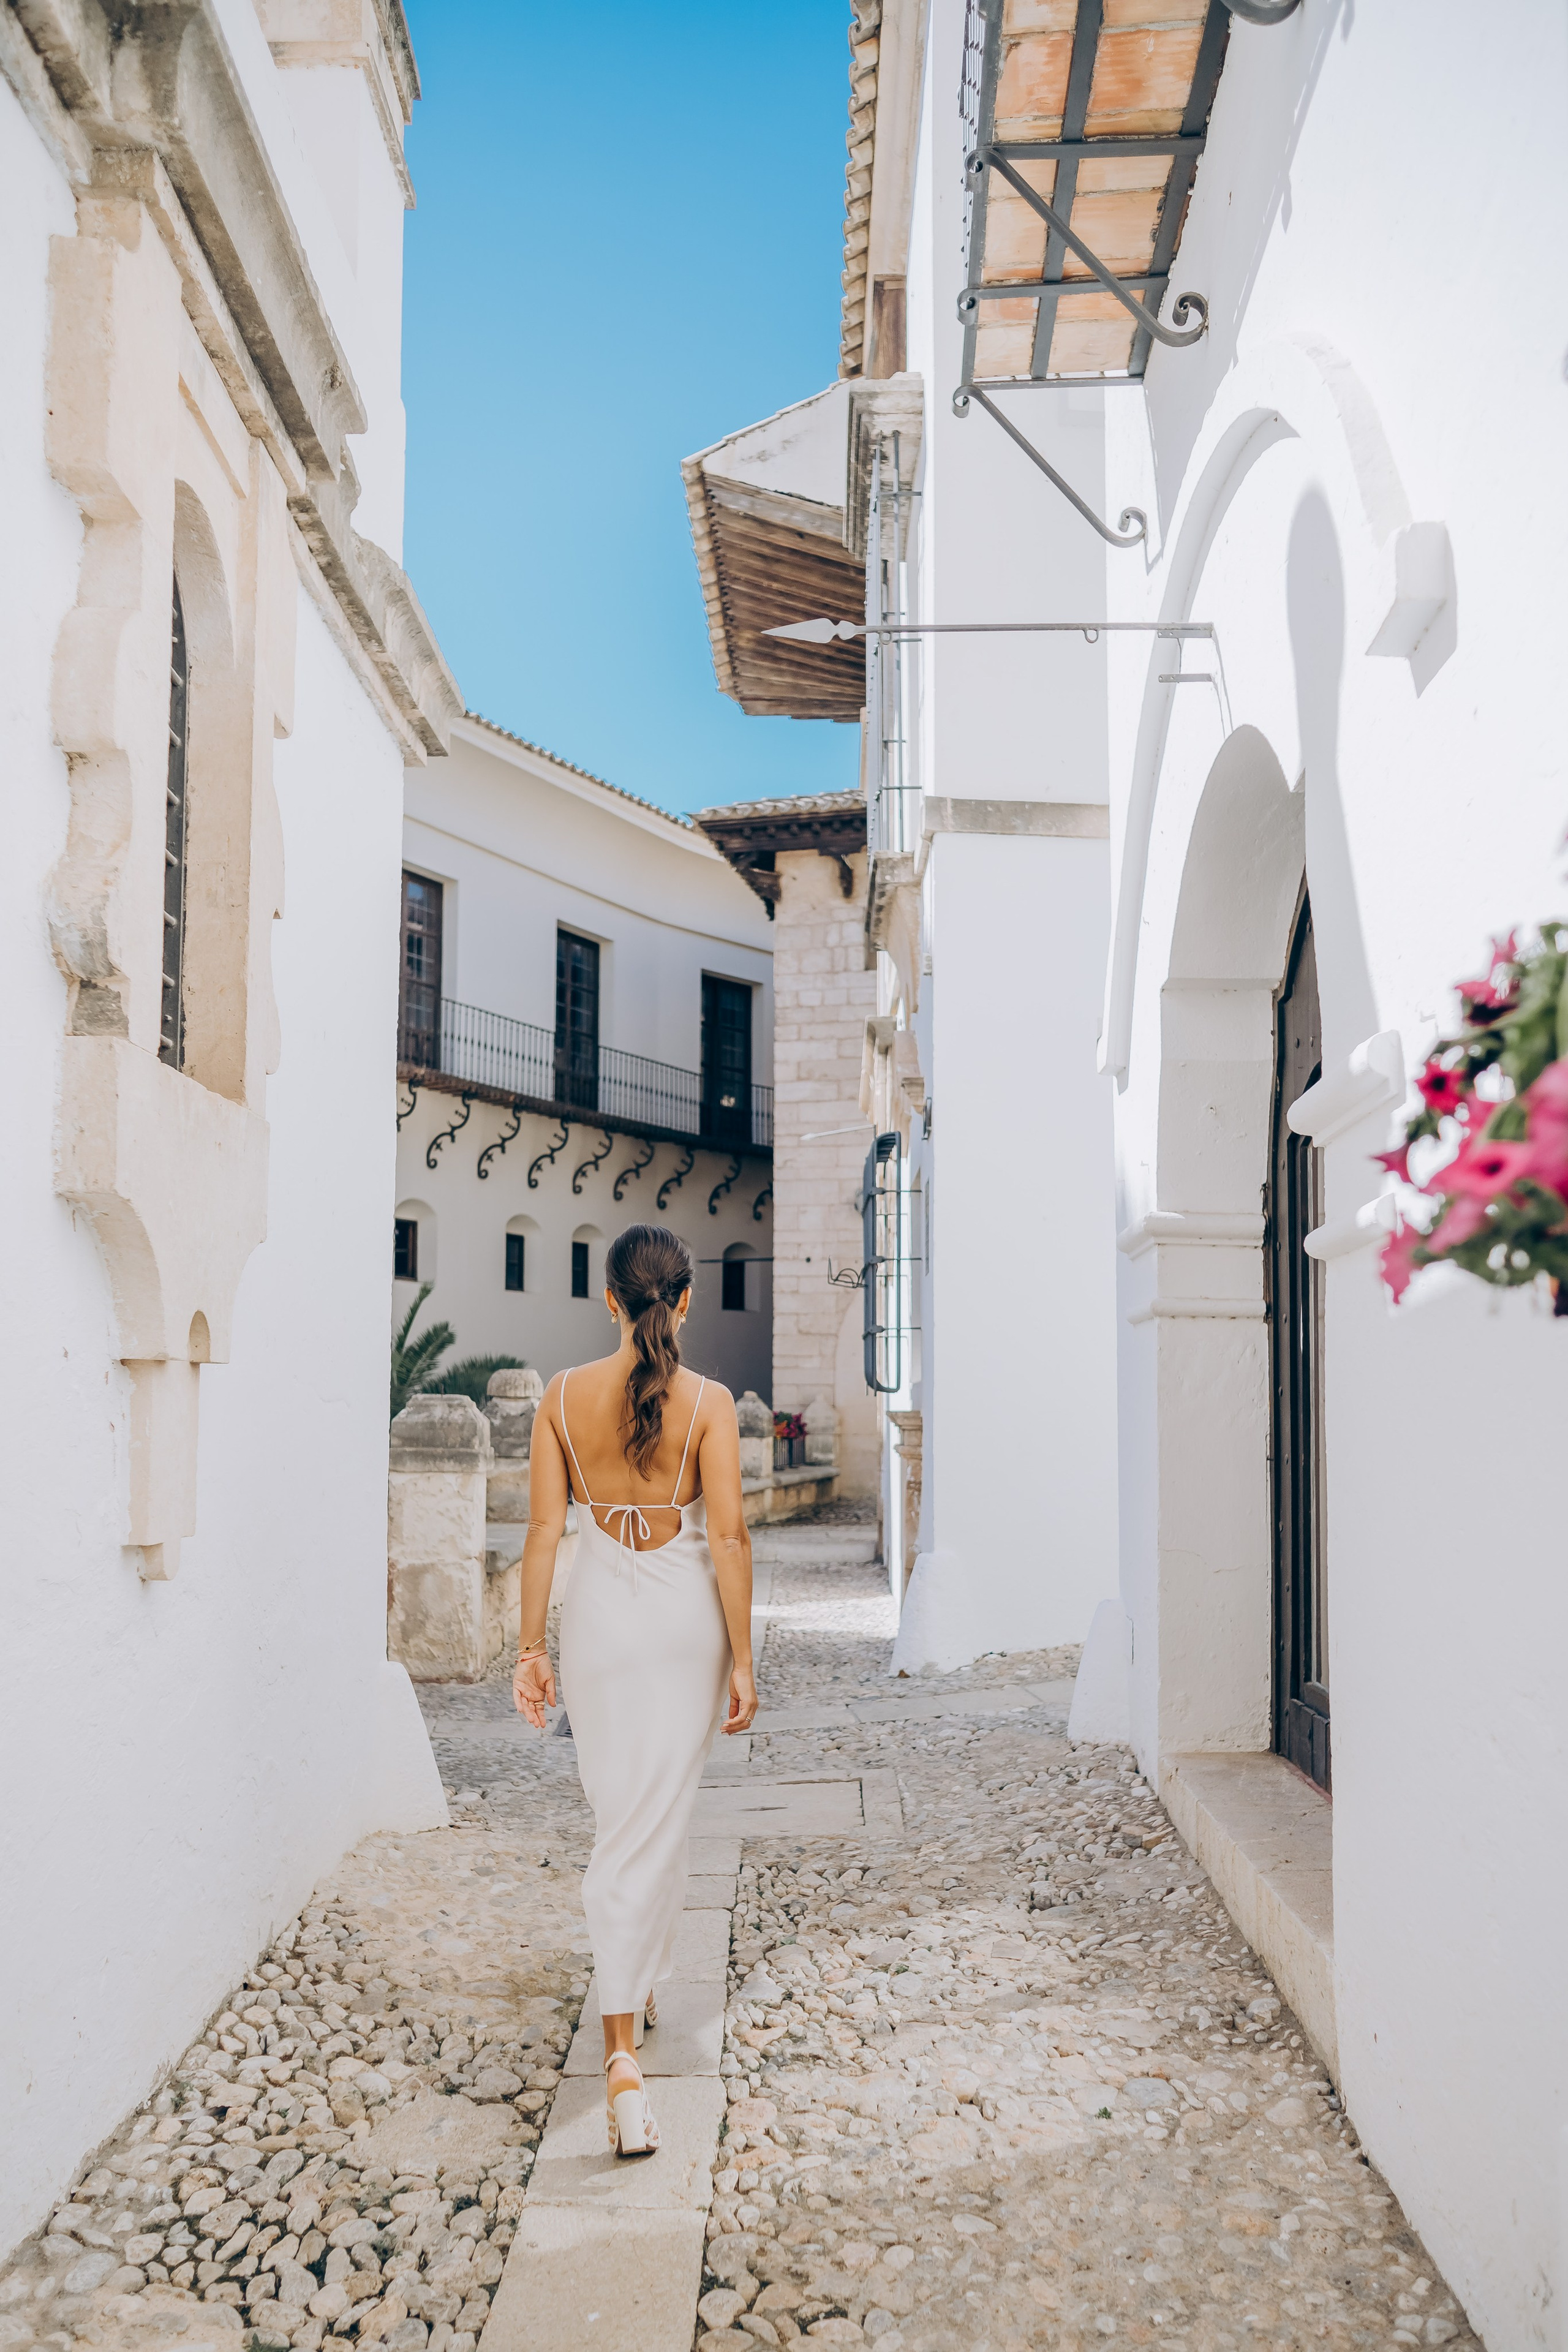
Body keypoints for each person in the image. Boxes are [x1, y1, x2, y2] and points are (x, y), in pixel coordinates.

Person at [511, 1223, 757, 2158]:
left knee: (625, 1819)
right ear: (684, 1303)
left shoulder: (562, 1397)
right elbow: (728, 1541)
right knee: (654, 1822)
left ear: (609, 1301)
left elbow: (544, 1534)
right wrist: (743, 1658)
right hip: (684, 1633)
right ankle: (623, 2058)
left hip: (602, 1630)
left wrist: (530, 1651)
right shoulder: (711, 1404)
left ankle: (636, 1991)